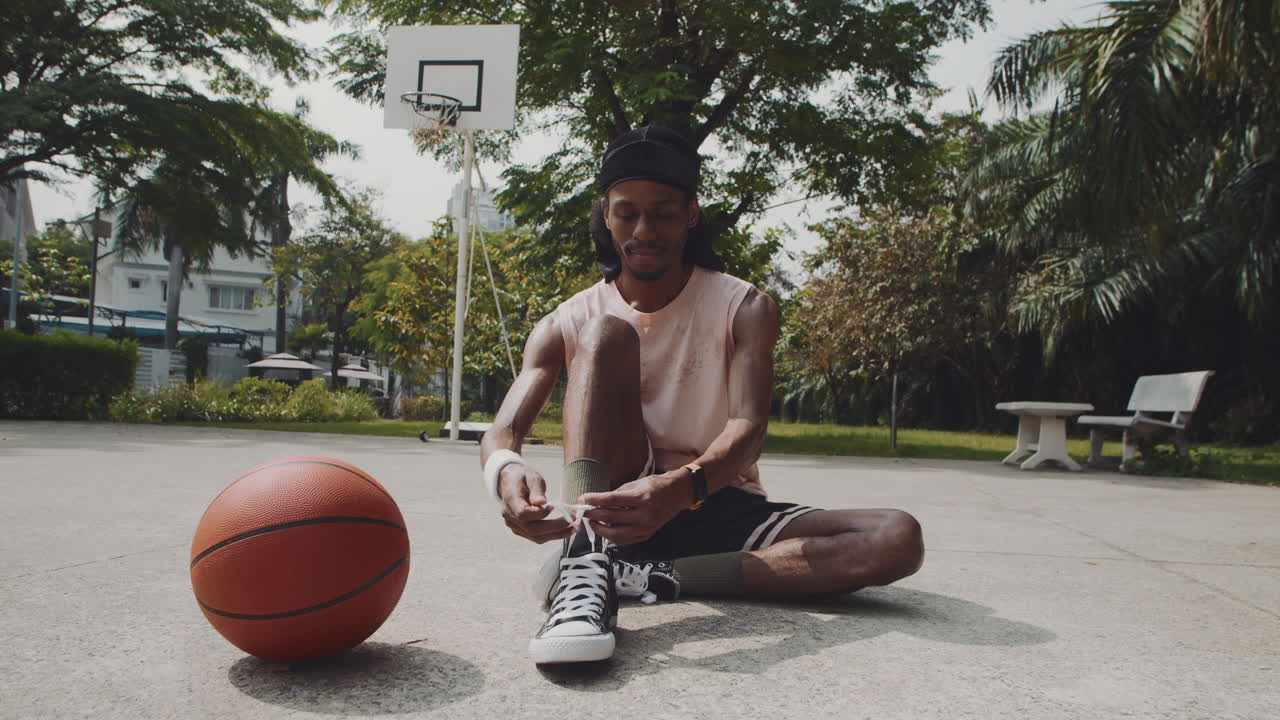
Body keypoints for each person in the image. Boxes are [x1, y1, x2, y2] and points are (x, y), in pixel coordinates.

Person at [479, 125, 924, 665]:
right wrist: (505, 474)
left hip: (710, 495)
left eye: (664, 212)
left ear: (692, 213)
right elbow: (503, 432)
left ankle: (650, 578)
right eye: (627, 213)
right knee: (603, 336)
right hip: (614, 503)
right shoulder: (566, 320)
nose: (645, 230)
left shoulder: (745, 306)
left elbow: (748, 428)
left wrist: (677, 490)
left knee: (896, 537)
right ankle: (587, 563)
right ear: (606, 213)